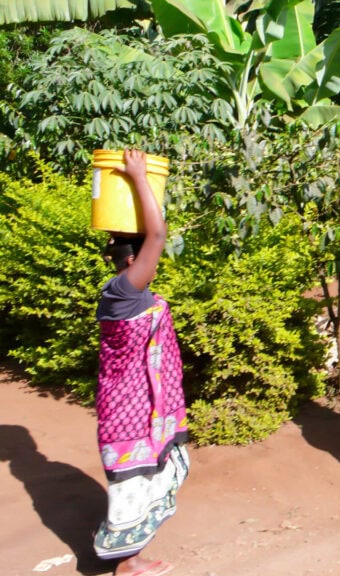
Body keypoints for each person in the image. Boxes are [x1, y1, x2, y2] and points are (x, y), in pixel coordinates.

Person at [94, 150, 188, 576]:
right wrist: (137, 178)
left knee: (148, 479)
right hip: (129, 410)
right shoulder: (123, 292)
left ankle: (132, 556)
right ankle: (126, 565)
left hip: (141, 409)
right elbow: (158, 235)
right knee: (131, 485)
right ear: (133, 262)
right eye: (146, 260)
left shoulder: (129, 294)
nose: (153, 265)